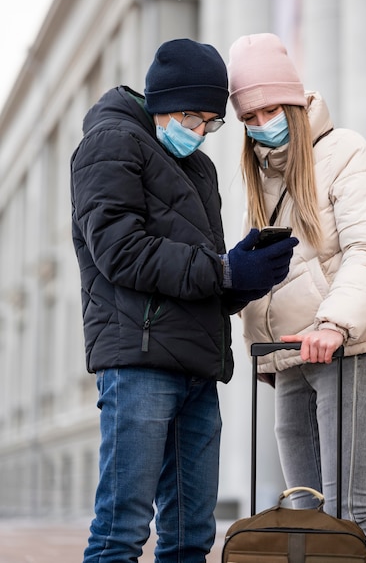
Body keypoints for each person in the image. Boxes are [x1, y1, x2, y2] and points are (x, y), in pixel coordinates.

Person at [70, 38, 298, 563]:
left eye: (210, 123)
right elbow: (120, 252)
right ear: (161, 101)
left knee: (190, 537)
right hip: (139, 364)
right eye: (193, 117)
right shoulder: (110, 142)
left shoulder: (200, 169)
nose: (199, 133)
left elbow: (200, 275)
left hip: (196, 365)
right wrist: (222, 269)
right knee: (121, 531)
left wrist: (244, 276)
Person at [227, 33, 366, 563]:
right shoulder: (261, 176)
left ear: (296, 101)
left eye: (270, 109)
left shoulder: (344, 150)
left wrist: (334, 323)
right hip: (287, 358)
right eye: (248, 117)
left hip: (340, 350)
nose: (261, 125)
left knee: (350, 514)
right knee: (304, 517)